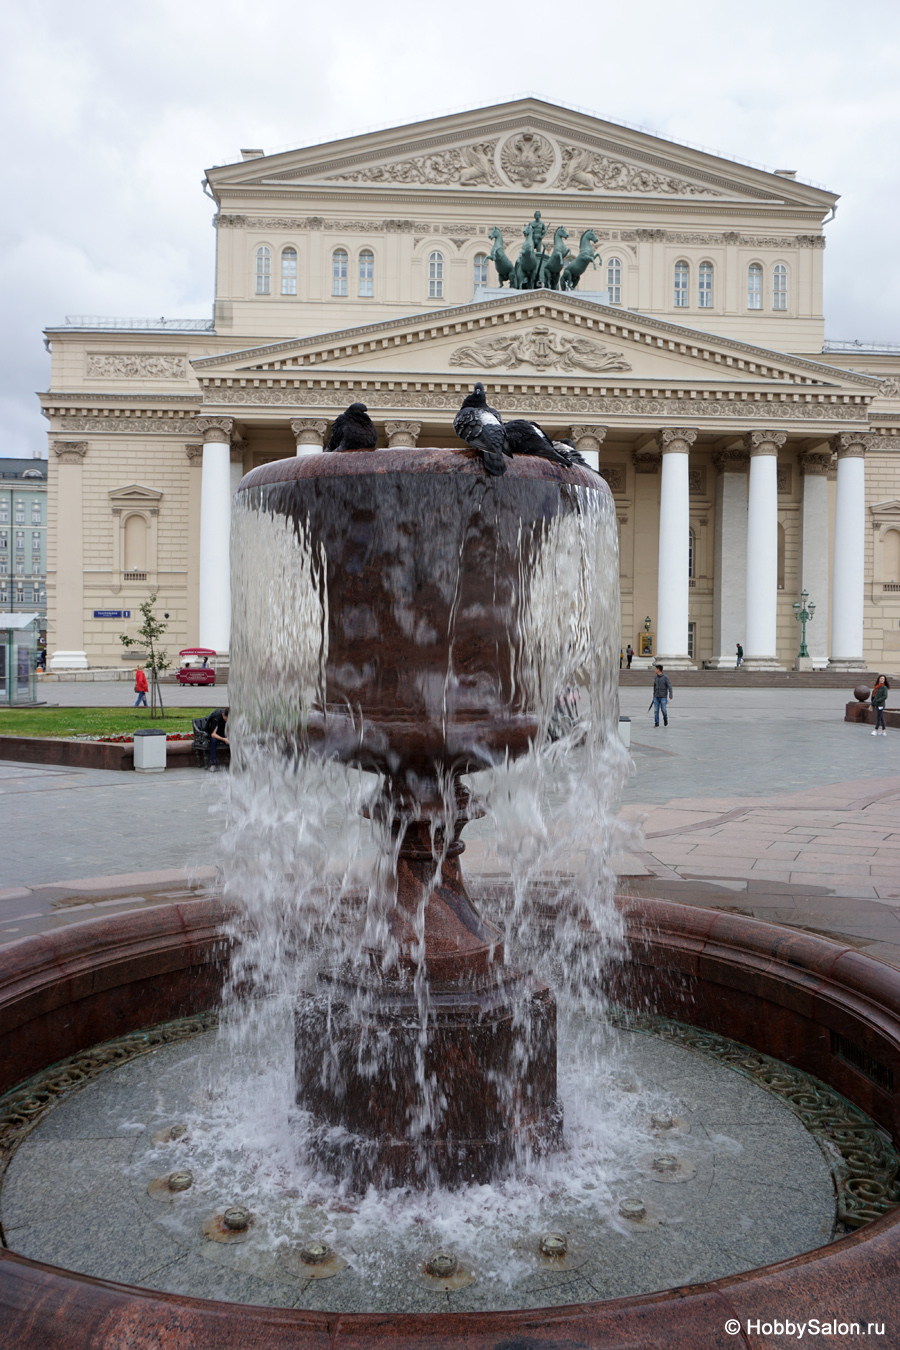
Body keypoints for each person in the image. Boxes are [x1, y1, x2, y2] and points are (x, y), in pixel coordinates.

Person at [651, 663, 673, 727]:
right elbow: (654, 687)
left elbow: (669, 686)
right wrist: (653, 695)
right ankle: (656, 723)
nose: (654, 670)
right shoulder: (656, 678)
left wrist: (670, 694)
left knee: (663, 710)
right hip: (656, 696)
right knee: (656, 710)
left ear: (659, 669)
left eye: (655, 669)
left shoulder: (665, 677)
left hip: (663, 696)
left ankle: (665, 719)